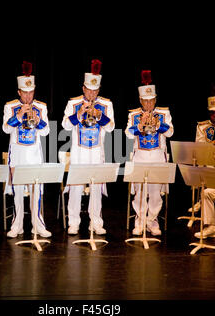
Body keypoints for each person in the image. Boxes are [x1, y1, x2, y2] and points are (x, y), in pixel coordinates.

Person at [61, 59, 115, 235]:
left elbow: (111, 127)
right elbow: (65, 125)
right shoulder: (73, 103)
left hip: (97, 152)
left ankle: (96, 222)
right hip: (79, 152)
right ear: (83, 88)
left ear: (98, 90)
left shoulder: (106, 104)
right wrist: (79, 113)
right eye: (88, 89)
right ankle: (74, 222)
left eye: (95, 90)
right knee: (76, 187)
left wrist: (100, 116)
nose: (91, 93)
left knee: (96, 188)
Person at [3, 61, 51, 238]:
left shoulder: (41, 107)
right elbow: (6, 129)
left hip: (34, 157)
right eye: (25, 93)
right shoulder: (10, 107)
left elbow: (46, 131)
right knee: (17, 194)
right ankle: (17, 226)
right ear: (19, 92)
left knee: (36, 193)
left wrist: (38, 120)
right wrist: (19, 115)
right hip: (16, 156)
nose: (28, 97)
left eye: (31, 92)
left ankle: (37, 225)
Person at [125, 70, 173, 236]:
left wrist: (158, 124)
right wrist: (140, 125)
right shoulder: (133, 115)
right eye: (145, 101)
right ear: (140, 100)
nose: (148, 104)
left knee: (155, 193)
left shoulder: (164, 113)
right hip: (140, 158)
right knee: (140, 191)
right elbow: (128, 133)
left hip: (158, 158)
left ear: (155, 99)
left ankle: (152, 220)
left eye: (151, 101)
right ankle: (139, 220)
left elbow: (170, 133)